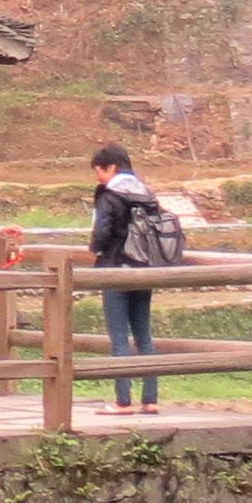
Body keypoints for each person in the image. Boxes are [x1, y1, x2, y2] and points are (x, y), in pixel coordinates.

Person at [89, 142, 163, 410]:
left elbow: (102, 233)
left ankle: (123, 401)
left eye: (99, 170)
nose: (98, 176)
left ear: (112, 167)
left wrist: (94, 250)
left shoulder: (109, 195)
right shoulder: (147, 193)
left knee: (119, 337)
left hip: (116, 268)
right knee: (144, 335)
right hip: (144, 271)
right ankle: (151, 400)